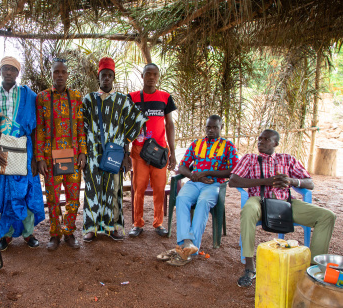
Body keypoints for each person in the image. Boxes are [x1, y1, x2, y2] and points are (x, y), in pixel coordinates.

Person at [229, 129, 336, 287]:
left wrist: (292, 181)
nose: (261, 142)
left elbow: (310, 183)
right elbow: (233, 181)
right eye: (259, 139)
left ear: (276, 143)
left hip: (286, 203)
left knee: (327, 216)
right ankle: (249, 267)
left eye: (266, 139)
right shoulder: (250, 159)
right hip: (259, 200)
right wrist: (266, 181)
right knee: (248, 209)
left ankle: (312, 270)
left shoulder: (287, 159)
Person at [0, 56, 45, 251]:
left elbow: (37, 128)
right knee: (1, 195)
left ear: (18, 72)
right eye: (5, 68)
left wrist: (36, 157)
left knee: (26, 192)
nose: (9, 72)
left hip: (24, 153)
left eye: (12, 69)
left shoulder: (29, 96)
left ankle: (29, 234)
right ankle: (5, 235)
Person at [81, 57, 148, 242]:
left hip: (115, 153)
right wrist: (83, 154)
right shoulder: (88, 100)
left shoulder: (122, 100)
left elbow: (136, 122)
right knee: (92, 189)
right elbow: (81, 127)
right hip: (94, 154)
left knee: (113, 188)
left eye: (110, 76)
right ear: (99, 77)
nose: (107, 79)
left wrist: (125, 152)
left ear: (113, 78)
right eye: (104, 75)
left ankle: (114, 227)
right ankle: (91, 228)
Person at [158, 115, 238, 266]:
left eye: (215, 127)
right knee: (181, 198)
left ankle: (192, 248)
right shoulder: (197, 144)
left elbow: (233, 170)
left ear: (221, 127)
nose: (211, 130)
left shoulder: (228, 146)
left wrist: (207, 173)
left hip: (214, 185)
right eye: (208, 127)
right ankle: (186, 242)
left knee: (203, 201)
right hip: (195, 183)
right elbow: (182, 167)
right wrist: (195, 176)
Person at [35, 58, 87, 250]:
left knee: (73, 198)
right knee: (53, 198)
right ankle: (55, 234)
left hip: (72, 156)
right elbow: (39, 128)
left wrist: (83, 151)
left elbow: (81, 125)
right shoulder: (42, 98)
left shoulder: (75, 97)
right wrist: (40, 157)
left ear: (67, 74)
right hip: (51, 156)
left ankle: (69, 232)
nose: (60, 75)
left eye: (63, 72)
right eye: (56, 72)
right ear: (51, 74)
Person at [128, 63, 177, 238]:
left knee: (159, 188)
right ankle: (137, 223)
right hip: (139, 151)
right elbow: (126, 126)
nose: (151, 77)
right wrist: (127, 152)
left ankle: (158, 223)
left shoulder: (165, 97)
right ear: (142, 76)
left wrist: (172, 152)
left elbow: (170, 125)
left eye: (155, 74)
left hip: (160, 151)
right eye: (148, 74)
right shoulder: (131, 98)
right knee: (138, 188)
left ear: (158, 77)